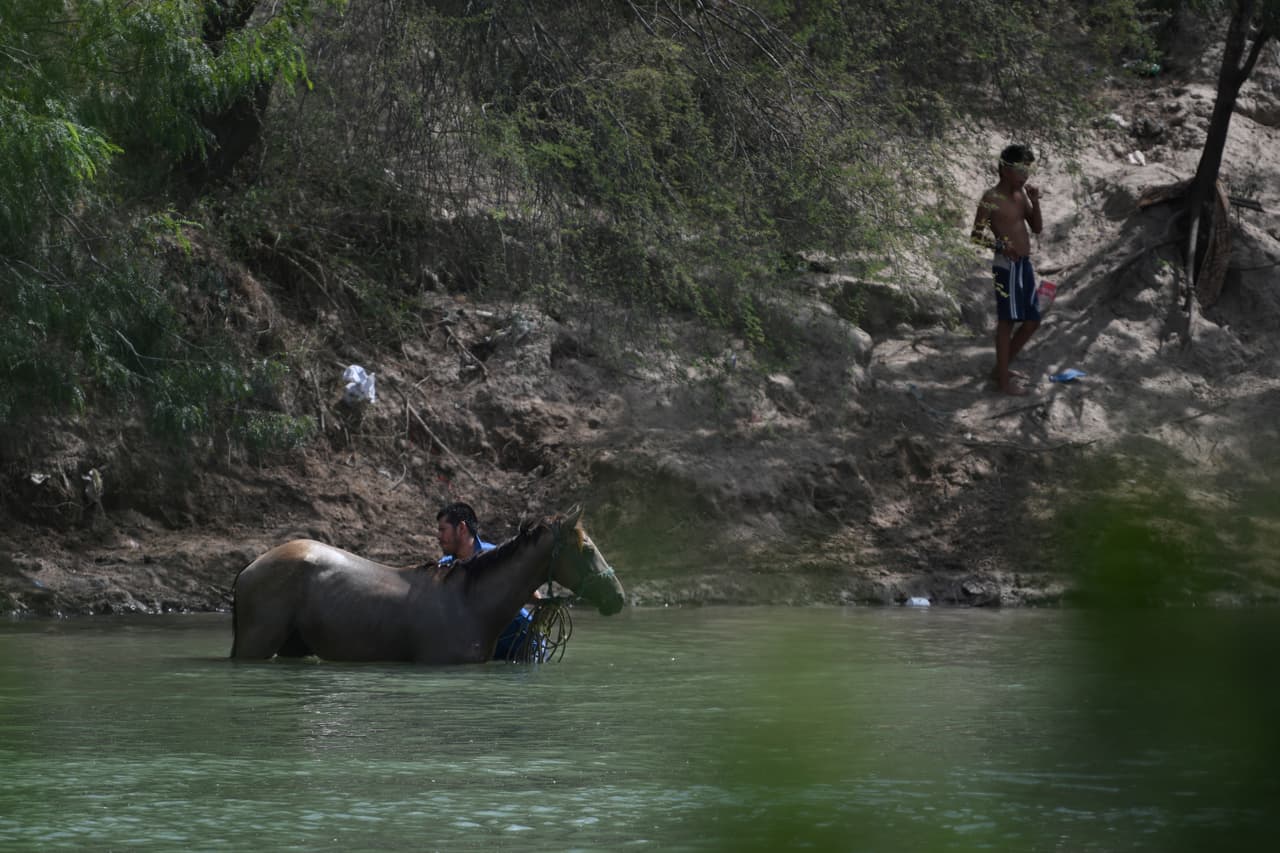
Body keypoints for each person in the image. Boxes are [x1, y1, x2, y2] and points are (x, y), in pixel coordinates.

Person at [971, 143, 1044, 396]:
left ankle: (999, 370)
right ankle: (1003, 381)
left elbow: (1037, 228)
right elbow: (976, 235)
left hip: (1024, 264)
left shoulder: (1021, 194)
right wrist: (1001, 245)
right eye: (1020, 170)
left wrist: (1035, 202)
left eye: (1027, 170)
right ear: (1004, 169)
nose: (1025, 176)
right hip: (1006, 266)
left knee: (1032, 320)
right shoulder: (991, 198)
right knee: (1007, 321)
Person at [434, 501, 541, 661]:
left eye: (443, 530)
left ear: (461, 528)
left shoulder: (496, 556)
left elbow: (534, 596)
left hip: (523, 646)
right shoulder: (445, 567)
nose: (439, 536)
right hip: (486, 651)